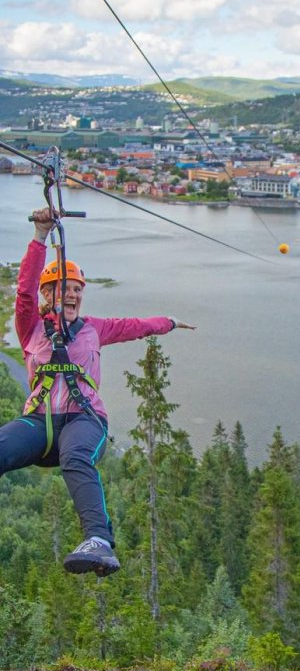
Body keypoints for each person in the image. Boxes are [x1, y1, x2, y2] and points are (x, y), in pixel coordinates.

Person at [0, 207, 196, 577]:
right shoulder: (31, 328)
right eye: (65, 290)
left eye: (77, 290)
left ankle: (99, 541)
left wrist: (169, 322)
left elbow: (136, 326)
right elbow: (23, 291)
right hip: (39, 422)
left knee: (75, 456)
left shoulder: (95, 328)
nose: (73, 296)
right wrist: (39, 237)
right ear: (48, 296)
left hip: (84, 419)